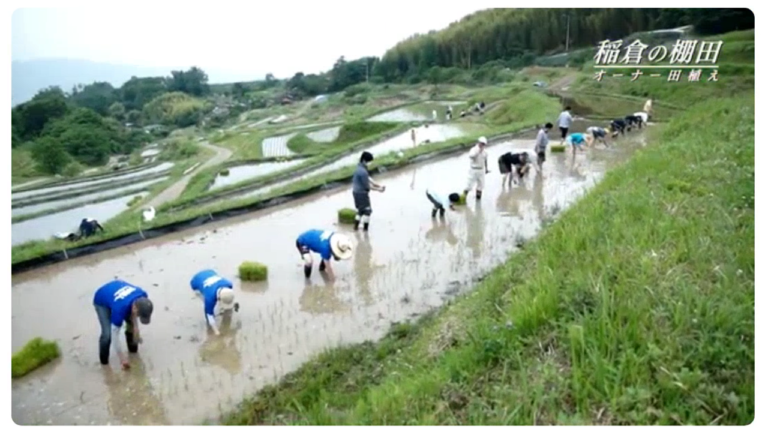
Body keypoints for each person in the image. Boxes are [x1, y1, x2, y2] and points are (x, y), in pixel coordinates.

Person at [93, 279, 154, 369]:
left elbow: (134, 313)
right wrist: (122, 358)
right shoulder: (120, 309)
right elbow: (115, 336)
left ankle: (133, 352)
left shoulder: (143, 295)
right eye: (139, 315)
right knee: (107, 335)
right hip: (101, 299)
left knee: (132, 327)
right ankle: (104, 365)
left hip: (118, 290)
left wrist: (136, 329)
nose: (138, 317)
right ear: (134, 308)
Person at [190, 269, 237, 336]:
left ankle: (222, 309)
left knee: (222, 304)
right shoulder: (209, 298)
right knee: (208, 307)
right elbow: (210, 316)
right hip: (195, 282)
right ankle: (208, 325)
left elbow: (229, 296)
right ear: (218, 298)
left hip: (210, 272)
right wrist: (216, 331)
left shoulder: (229, 284)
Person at [352, 151, 386, 232]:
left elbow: (368, 178)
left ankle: (355, 228)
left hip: (356, 192)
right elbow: (367, 186)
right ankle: (365, 231)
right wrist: (379, 190)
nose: (370, 163)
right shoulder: (363, 171)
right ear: (364, 160)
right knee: (367, 211)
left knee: (360, 211)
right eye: (369, 161)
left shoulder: (359, 168)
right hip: (361, 194)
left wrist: (377, 184)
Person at [463, 136, 490, 200]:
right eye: (481, 143)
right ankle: (463, 198)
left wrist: (486, 169)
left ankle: (478, 199)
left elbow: (485, 160)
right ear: (478, 143)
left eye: (484, 144)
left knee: (481, 185)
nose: (482, 145)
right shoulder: (473, 150)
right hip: (474, 170)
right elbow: (471, 156)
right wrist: (478, 152)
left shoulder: (485, 152)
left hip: (481, 170)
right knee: (469, 185)